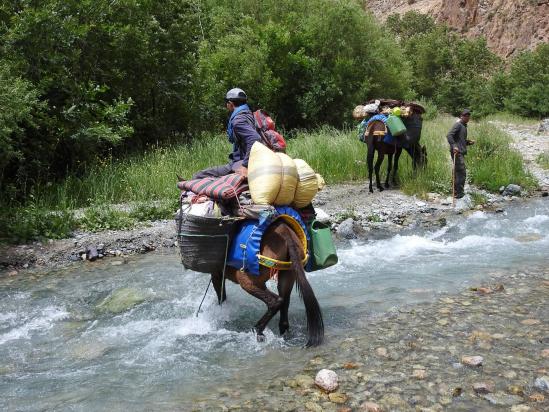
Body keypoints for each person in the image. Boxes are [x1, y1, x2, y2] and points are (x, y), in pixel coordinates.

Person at [192, 88, 261, 179]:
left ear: (231, 104)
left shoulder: (238, 121)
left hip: (242, 161)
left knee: (199, 175)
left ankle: (190, 186)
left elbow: (254, 138)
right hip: (250, 159)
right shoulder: (248, 114)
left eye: (226, 103)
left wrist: (245, 165)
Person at [447, 109, 475, 199]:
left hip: (460, 151)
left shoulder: (464, 126)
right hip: (457, 152)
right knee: (461, 171)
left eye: (468, 116)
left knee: (456, 171)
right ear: (461, 116)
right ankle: (459, 193)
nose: (467, 117)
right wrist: (454, 146)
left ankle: (455, 191)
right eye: (465, 116)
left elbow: (460, 140)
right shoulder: (458, 125)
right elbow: (449, 135)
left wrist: (468, 142)